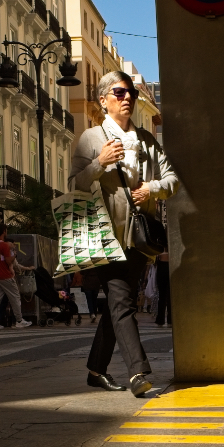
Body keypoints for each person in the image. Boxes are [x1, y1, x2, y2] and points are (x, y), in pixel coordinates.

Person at [70, 70, 179, 396]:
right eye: (119, 92)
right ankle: (138, 372)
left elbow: (172, 180)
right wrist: (100, 163)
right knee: (121, 302)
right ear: (103, 100)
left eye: (130, 92)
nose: (127, 97)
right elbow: (75, 183)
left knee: (121, 304)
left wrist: (152, 189)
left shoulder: (146, 140)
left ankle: (96, 369)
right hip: (105, 234)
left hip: (139, 236)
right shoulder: (91, 138)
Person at [0, 224, 32, 330]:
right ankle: (19, 320)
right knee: (15, 297)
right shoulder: (4, 246)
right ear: (4, 232)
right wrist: (14, 255)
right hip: (5, 276)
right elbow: (8, 261)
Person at [155, 250, 172, 327]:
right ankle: (170, 320)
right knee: (169, 296)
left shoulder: (160, 246)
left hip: (162, 266)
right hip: (169, 266)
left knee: (163, 296)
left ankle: (161, 320)